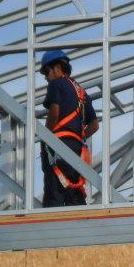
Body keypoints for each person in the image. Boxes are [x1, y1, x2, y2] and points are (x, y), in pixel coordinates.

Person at [39, 49, 99, 207]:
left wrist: (46, 135)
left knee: (54, 192)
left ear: (58, 67)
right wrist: (78, 136)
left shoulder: (56, 84)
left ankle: (51, 227)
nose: (46, 77)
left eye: (46, 71)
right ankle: (78, 223)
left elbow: (54, 112)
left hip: (58, 145)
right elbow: (94, 125)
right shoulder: (81, 92)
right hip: (77, 149)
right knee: (74, 191)